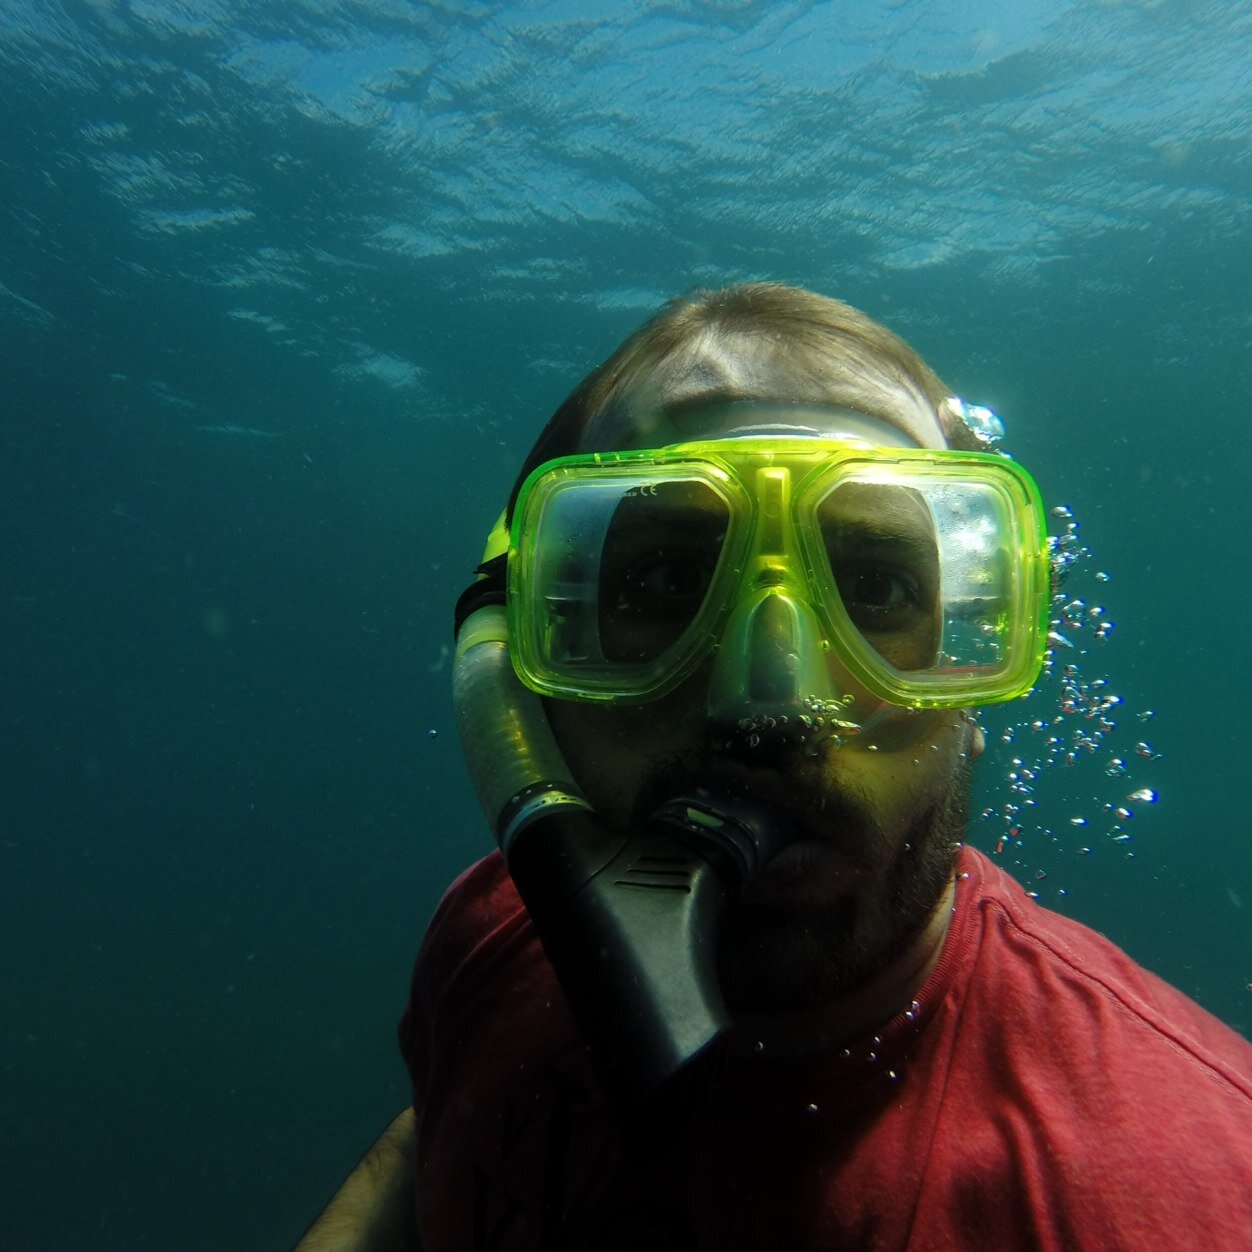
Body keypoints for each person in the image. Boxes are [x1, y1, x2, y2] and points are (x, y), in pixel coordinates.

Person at [296, 283, 1252, 1251]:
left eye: (875, 587)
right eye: (668, 579)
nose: (769, 698)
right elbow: (433, 1152)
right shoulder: (494, 935)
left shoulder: (1190, 1195)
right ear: (516, 669)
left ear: (969, 689)